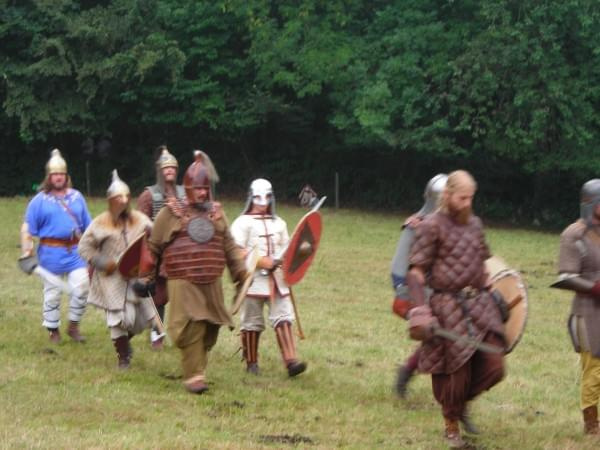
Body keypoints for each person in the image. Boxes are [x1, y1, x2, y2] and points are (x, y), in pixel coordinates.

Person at [405, 170, 505, 448]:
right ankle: (451, 424)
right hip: (447, 305)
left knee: (495, 365)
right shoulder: (431, 226)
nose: (467, 203)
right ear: (447, 195)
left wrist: (494, 290)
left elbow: (483, 263)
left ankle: (459, 406)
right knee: (455, 371)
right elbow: (415, 273)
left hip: (480, 304)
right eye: (462, 198)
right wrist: (421, 310)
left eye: (470, 198)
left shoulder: (475, 224)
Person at [142, 151, 248, 394]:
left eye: (205, 188)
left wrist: (240, 273)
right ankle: (194, 377)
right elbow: (153, 246)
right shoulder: (170, 213)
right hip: (182, 279)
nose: (202, 193)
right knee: (192, 326)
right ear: (188, 188)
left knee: (210, 327)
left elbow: (229, 246)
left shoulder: (216, 214)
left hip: (211, 279)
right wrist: (146, 277)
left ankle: (197, 368)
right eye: (198, 188)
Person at [230, 178, 307, 377]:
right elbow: (235, 251)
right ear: (251, 198)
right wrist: (262, 261)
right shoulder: (242, 223)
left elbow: (288, 249)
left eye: (266, 197)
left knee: (284, 318)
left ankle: (291, 362)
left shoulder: (279, 223)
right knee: (251, 322)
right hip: (253, 279)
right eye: (258, 198)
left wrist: (293, 258)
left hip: (278, 279)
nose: (262, 202)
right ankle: (252, 363)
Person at [78, 170, 155, 369]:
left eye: (126, 197)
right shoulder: (100, 222)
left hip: (135, 275)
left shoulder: (140, 219)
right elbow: (84, 247)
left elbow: (154, 241)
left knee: (139, 322)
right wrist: (103, 262)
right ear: (111, 200)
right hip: (110, 278)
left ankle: (123, 342)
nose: (123, 201)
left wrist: (151, 240)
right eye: (118, 198)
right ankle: (123, 357)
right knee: (117, 318)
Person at [18, 148, 91, 343]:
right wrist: (27, 251)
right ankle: (53, 330)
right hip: (50, 254)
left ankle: (73, 326)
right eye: (55, 174)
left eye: (61, 174)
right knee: (52, 294)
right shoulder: (39, 201)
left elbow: (89, 227)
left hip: (75, 252)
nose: (58, 177)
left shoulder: (77, 197)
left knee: (82, 287)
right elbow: (27, 228)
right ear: (49, 177)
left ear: (66, 176)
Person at [390, 174, 447, 397]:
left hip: (441, 291)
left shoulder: (450, 226)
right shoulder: (415, 226)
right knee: (438, 334)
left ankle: (407, 371)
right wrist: (406, 296)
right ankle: (409, 372)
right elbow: (399, 269)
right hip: (419, 292)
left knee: (441, 336)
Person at [554, 178, 600, 435]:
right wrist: (595, 288)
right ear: (591, 203)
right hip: (588, 311)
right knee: (595, 369)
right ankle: (591, 424)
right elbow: (566, 277)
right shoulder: (574, 234)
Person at [136, 145, 185, 350]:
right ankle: (157, 335)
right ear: (159, 171)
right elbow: (140, 224)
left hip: (180, 252)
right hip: (157, 252)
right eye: (166, 168)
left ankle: (183, 335)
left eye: (173, 168)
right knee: (158, 297)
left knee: (184, 295)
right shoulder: (149, 195)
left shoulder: (184, 193)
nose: (170, 171)